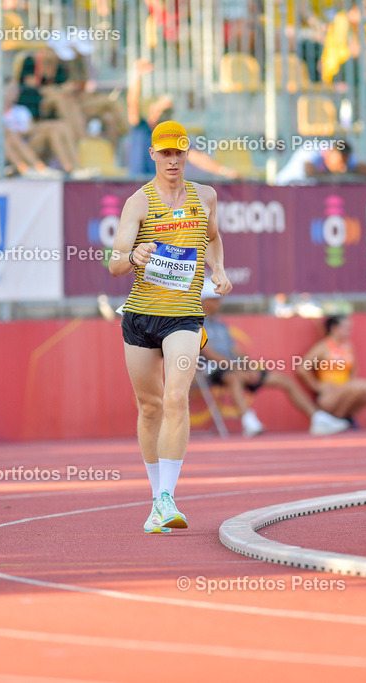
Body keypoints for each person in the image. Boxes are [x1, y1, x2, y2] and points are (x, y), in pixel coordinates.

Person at [108, 120, 232, 534]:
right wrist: (136, 255)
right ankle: (155, 497)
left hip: (184, 314)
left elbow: (212, 237)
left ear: (187, 153)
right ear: (153, 155)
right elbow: (115, 264)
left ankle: (167, 499)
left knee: (176, 396)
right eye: (166, 153)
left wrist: (219, 269)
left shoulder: (206, 196)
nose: (173, 160)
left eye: (179, 152)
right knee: (149, 407)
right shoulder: (138, 203)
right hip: (141, 315)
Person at [199, 282, 350, 437]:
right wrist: (238, 369)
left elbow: (235, 350)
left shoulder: (220, 324)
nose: (219, 303)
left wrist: (250, 368)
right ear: (203, 301)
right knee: (233, 378)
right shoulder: (197, 323)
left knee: (284, 380)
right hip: (210, 370)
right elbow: (210, 354)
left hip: (233, 367)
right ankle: (249, 423)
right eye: (214, 299)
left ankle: (318, 419)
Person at [296, 315, 366, 426]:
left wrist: (352, 384)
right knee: (355, 387)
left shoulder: (348, 346)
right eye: (345, 328)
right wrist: (317, 386)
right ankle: (338, 419)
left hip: (347, 389)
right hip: (329, 395)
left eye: (350, 328)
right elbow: (302, 368)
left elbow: (353, 369)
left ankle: (345, 417)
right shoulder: (323, 347)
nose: (349, 332)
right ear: (334, 328)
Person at [275, 138, 366, 184]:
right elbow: (309, 170)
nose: (343, 168)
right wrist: (333, 176)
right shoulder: (311, 149)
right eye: (341, 163)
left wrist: (348, 171)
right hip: (283, 190)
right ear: (331, 153)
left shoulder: (343, 158)